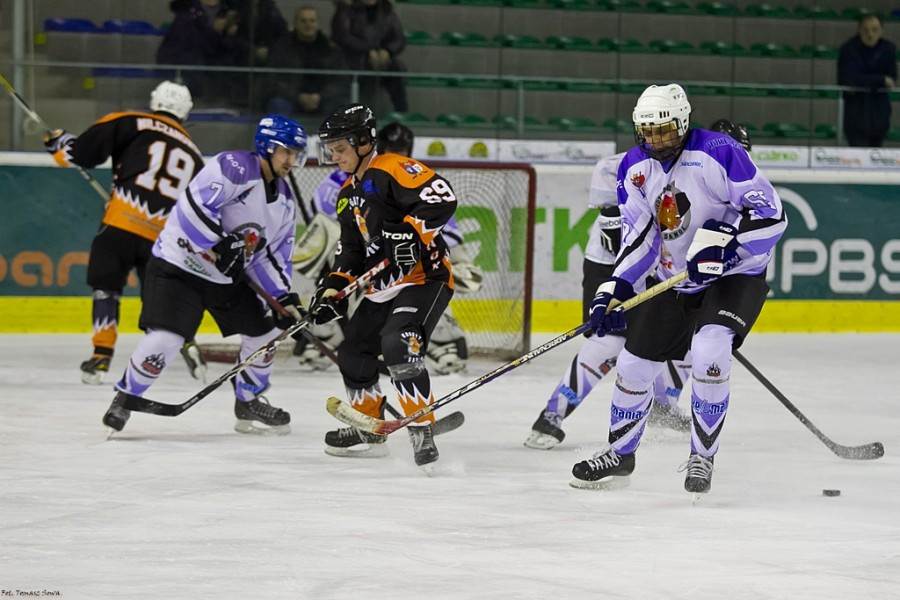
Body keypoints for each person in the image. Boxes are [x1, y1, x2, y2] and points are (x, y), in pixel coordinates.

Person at [569, 84, 786, 495]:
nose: (656, 140)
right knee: (633, 364)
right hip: (676, 278)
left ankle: (702, 457)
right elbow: (640, 238)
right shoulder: (634, 168)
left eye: (665, 130)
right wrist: (613, 287)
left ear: (683, 122)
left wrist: (730, 250)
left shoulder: (720, 151)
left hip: (735, 276)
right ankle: (621, 453)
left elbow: (773, 215)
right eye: (647, 132)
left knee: (709, 350)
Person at [525, 117, 755, 451]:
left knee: (693, 338)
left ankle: (662, 402)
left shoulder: (731, 182)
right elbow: (617, 229)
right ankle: (551, 416)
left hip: (671, 275)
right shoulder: (648, 161)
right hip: (616, 266)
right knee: (610, 342)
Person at [100, 115, 308, 436]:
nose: (292, 160)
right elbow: (193, 207)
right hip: (180, 266)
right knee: (167, 339)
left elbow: (270, 255)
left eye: (296, 153)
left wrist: (283, 298)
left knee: (266, 334)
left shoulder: (284, 201)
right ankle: (126, 397)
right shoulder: (234, 167)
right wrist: (220, 245)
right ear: (267, 146)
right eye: (287, 152)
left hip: (224, 279)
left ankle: (248, 399)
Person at [308, 104, 456, 469]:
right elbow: (351, 251)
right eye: (330, 148)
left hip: (425, 277)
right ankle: (368, 428)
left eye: (340, 147)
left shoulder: (391, 167)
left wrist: (411, 229)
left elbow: (442, 197)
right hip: (384, 286)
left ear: (363, 142)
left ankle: (422, 425)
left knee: (397, 342)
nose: (334, 155)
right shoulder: (347, 193)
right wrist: (334, 288)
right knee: (353, 353)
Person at [44, 81, 208, 385]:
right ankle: (187, 345)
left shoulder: (130, 121)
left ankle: (101, 357)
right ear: (186, 112)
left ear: (154, 100)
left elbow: (81, 154)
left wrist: (59, 143)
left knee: (106, 288)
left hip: (122, 223)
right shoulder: (197, 155)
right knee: (163, 300)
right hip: (163, 239)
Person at [291, 122, 478, 374]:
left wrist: (446, 255)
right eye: (392, 148)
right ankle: (326, 334)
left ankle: (441, 342)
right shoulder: (342, 177)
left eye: (401, 149)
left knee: (429, 275)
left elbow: (442, 223)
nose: (396, 153)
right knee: (336, 271)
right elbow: (327, 226)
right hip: (361, 255)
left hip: (406, 262)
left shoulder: (408, 174)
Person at [264, 6, 350, 119]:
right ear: (295, 24)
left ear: (318, 24)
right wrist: (298, 96)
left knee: (342, 106)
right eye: (303, 21)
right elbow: (272, 79)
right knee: (278, 105)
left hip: (323, 100)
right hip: (290, 99)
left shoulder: (331, 50)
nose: (308, 24)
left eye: (312, 21)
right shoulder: (281, 48)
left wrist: (320, 96)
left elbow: (341, 81)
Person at [156, 0, 245, 100]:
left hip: (218, 70)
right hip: (189, 67)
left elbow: (232, 49)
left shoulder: (228, 12)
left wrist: (229, 36)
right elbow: (189, 45)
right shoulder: (186, 12)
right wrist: (214, 31)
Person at [331, 0, 408, 112]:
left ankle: (402, 114)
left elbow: (399, 39)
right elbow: (343, 36)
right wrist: (368, 51)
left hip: (381, 61)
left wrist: (387, 51)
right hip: (352, 60)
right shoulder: (346, 11)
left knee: (395, 71)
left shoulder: (387, 11)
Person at [838, 14, 897, 147]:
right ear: (859, 30)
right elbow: (848, 79)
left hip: (880, 113)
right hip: (856, 114)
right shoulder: (848, 49)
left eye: (875, 30)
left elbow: (892, 78)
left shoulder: (888, 49)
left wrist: (869, 80)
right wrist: (880, 79)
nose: (870, 34)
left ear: (882, 31)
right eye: (866, 30)